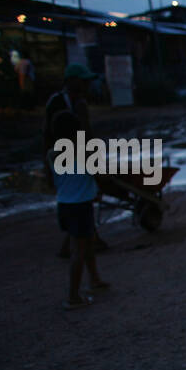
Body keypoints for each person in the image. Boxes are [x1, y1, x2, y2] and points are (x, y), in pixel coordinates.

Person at [46, 108, 109, 309]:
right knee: (79, 251)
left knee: (87, 243)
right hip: (80, 206)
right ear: (76, 131)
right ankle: (73, 297)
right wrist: (99, 187)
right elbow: (98, 174)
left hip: (64, 205)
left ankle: (95, 280)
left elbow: (58, 180)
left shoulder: (52, 154)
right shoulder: (84, 152)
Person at [44, 63, 106, 258]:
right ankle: (80, 246)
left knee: (77, 199)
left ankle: (84, 242)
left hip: (76, 156)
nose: (86, 85)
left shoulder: (79, 102)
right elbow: (49, 134)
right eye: (83, 81)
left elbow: (87, 134)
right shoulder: (58, 103)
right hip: (65, 158)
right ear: (72, 81)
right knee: (78, 199)